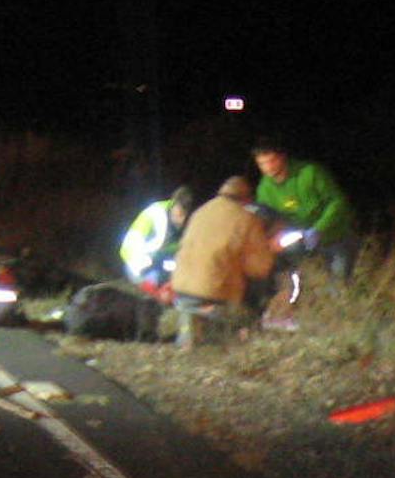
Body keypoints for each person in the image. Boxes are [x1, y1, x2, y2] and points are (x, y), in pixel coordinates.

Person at [170, 175, 276, 334]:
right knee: (257, 291)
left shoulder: (200, 212)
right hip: (213, 295)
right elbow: (260, 268)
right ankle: (249, 331)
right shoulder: (246, 219)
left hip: (180, 289)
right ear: (247, 199)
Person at [251, 141, 355, 279]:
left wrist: (319, 229)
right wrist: (274, 238)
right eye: (262, 164)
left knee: (340, 283)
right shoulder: (264, 188)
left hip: (335, 238)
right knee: (314, 286)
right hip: (303, 247)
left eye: (272, 161)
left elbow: (337, 202)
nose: (268, 167)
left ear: (282, 157)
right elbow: (268, 219)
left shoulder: (310, 172)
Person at [118, 184, 193, 288]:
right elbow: (129, 247)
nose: (181, 220)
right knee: (155, 292)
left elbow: (179, 253)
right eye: (179, 214)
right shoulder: (154, 214)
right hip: (138, 267)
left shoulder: (188, 225)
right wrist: (144, 263)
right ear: (173, 205)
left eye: (185, 215)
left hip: (160, 266)